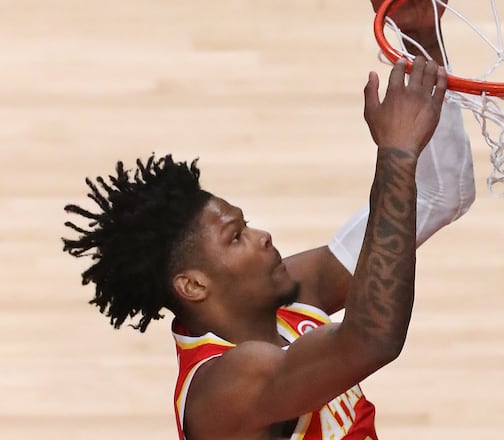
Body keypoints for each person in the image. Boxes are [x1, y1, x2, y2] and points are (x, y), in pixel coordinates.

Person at [62, 2, 474, 439]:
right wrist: (395, 153)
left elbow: (439, 195)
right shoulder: (223, 388)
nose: (263, 237)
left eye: (247, 225)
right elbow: (372, 340)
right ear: (194, 284)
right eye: (235, 236)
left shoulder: (278, 296)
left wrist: (419, 39)